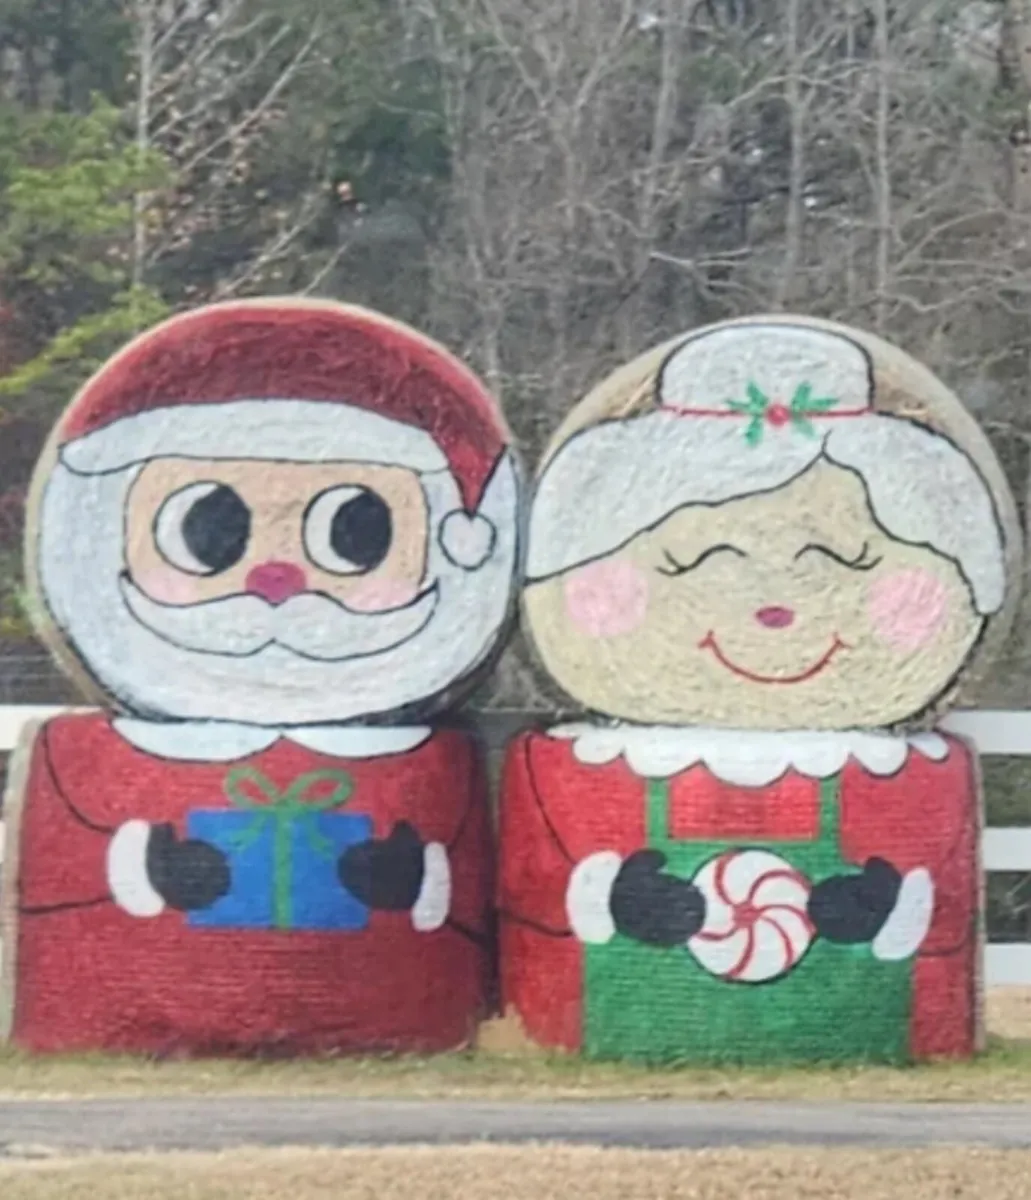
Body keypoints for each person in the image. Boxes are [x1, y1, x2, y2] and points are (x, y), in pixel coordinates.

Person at [2, 298, 519, 1054]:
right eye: (207, 533)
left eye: (357, 531)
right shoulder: (90, 757)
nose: (277, 577)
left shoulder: (433, 761)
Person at [498, 317, 1018, 1063]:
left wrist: (876, 908)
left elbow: (924, 889)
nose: (773, 600)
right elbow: (549, 878)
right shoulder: (574, 773)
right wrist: (616, 897)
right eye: (700, 559)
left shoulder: (905, 780)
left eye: (840, 557)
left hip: (863, 988)